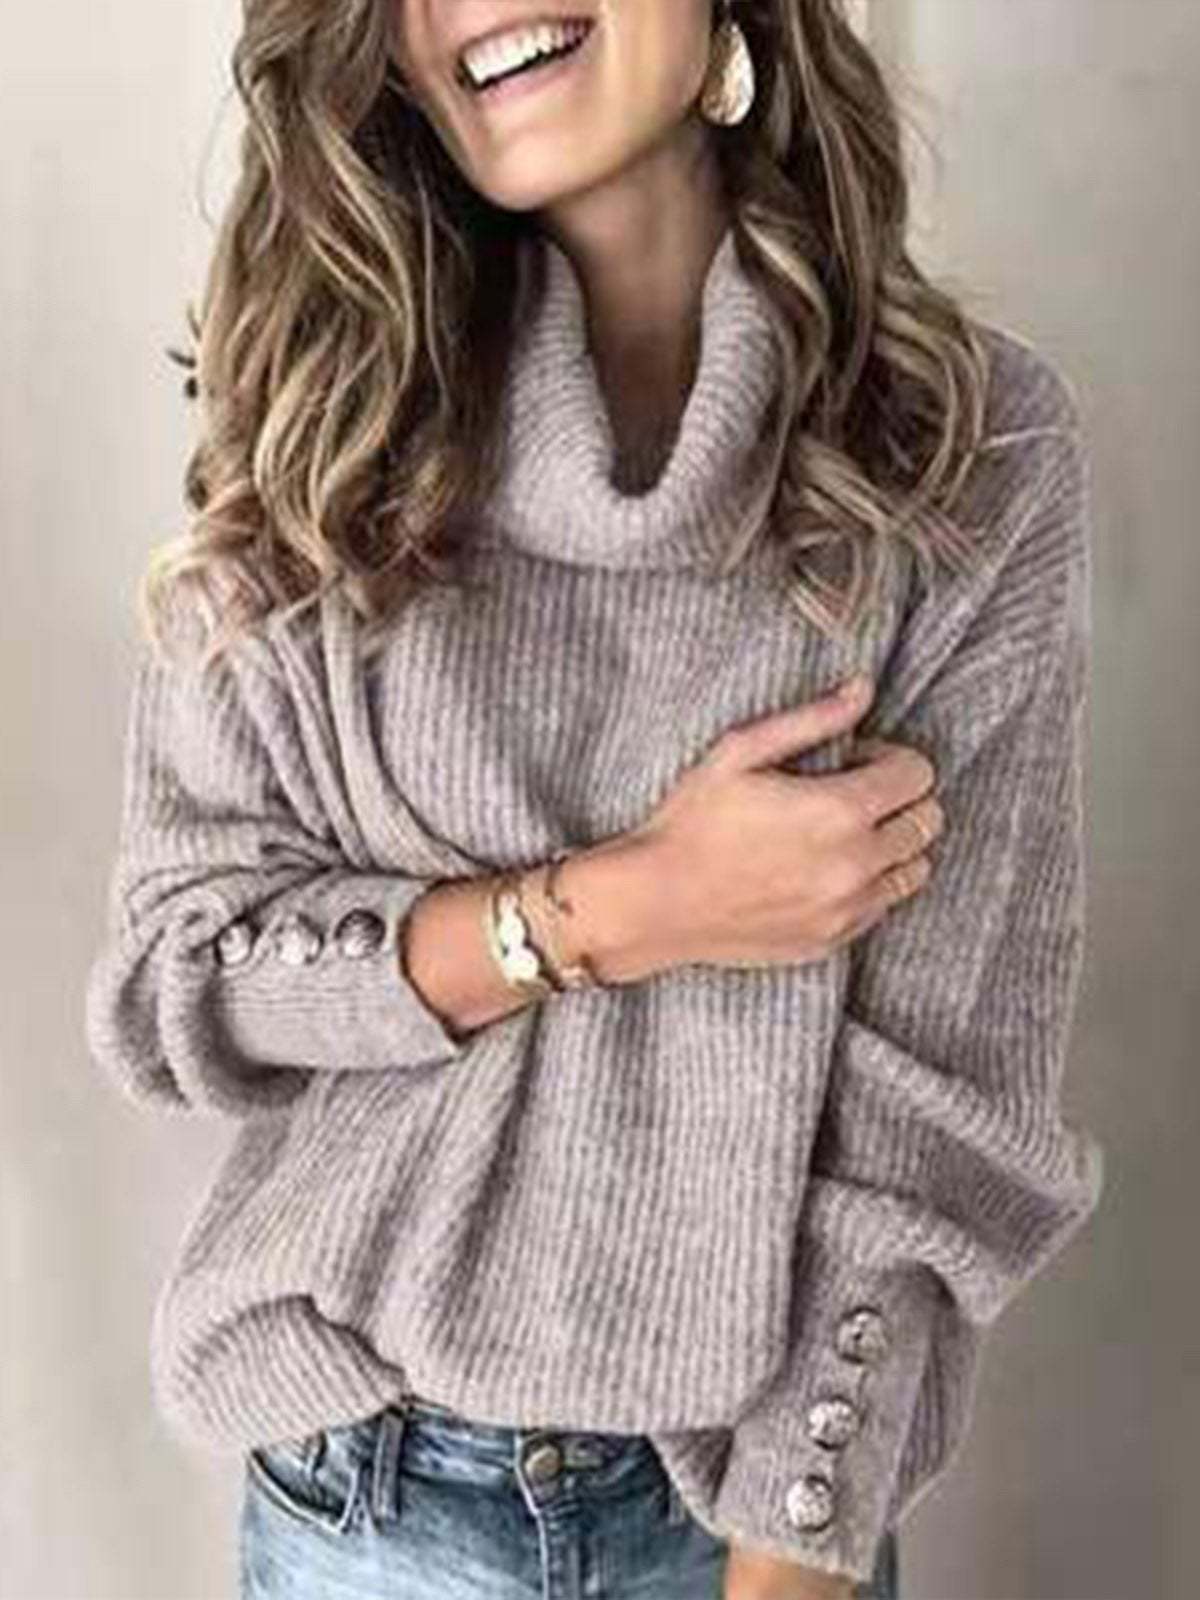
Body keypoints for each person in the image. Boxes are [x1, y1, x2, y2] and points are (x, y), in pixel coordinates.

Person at [83, 2, 1105, 1597]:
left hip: (750, 1510)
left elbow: (935, 1122)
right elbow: (177, 981)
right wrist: (622, 909)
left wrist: (795, 1545)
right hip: (375, 1505)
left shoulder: (962, 454)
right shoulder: (318, 425)